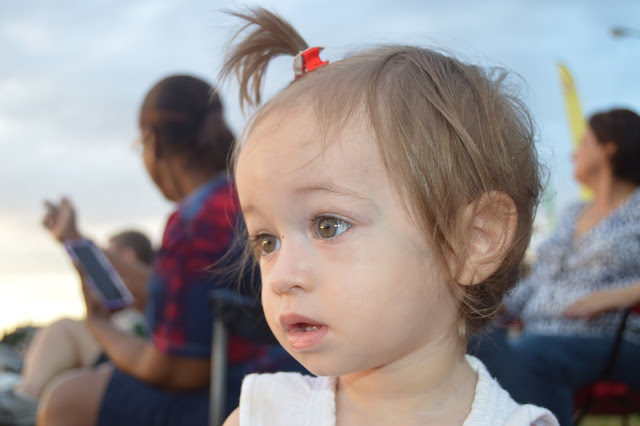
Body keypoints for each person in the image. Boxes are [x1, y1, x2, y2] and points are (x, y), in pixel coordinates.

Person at [217, 7, 558, 426]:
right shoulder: (263, 415)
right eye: (267, 241)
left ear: (474, 241)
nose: (281, 277)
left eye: (328, 226)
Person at [35, 75, 301, 426]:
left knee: (66, 398)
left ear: (153, 142)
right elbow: (175, 289)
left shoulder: (194, 222)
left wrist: (99, 325)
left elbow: (176, 371)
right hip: (291, 379)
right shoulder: (242, 198)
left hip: (237, 396)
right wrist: (73, 238)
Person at [470, 108, 640, 426]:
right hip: (538, 331)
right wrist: (494, 304)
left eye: (584, 143)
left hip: (612, 339)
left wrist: (623, 294)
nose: (574, 153)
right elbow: (541, 280)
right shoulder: (574, 213)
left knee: (530, 356)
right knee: (470, 341)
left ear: (609, 149)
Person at [0, 228, 153, 425]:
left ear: (126, 255)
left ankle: (23, 403)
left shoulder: (146, 286)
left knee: (64, 329)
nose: (105, 263)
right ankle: (24, 399)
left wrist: (97, 322)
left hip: (141, 360)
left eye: (110, 252)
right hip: (139, 356)